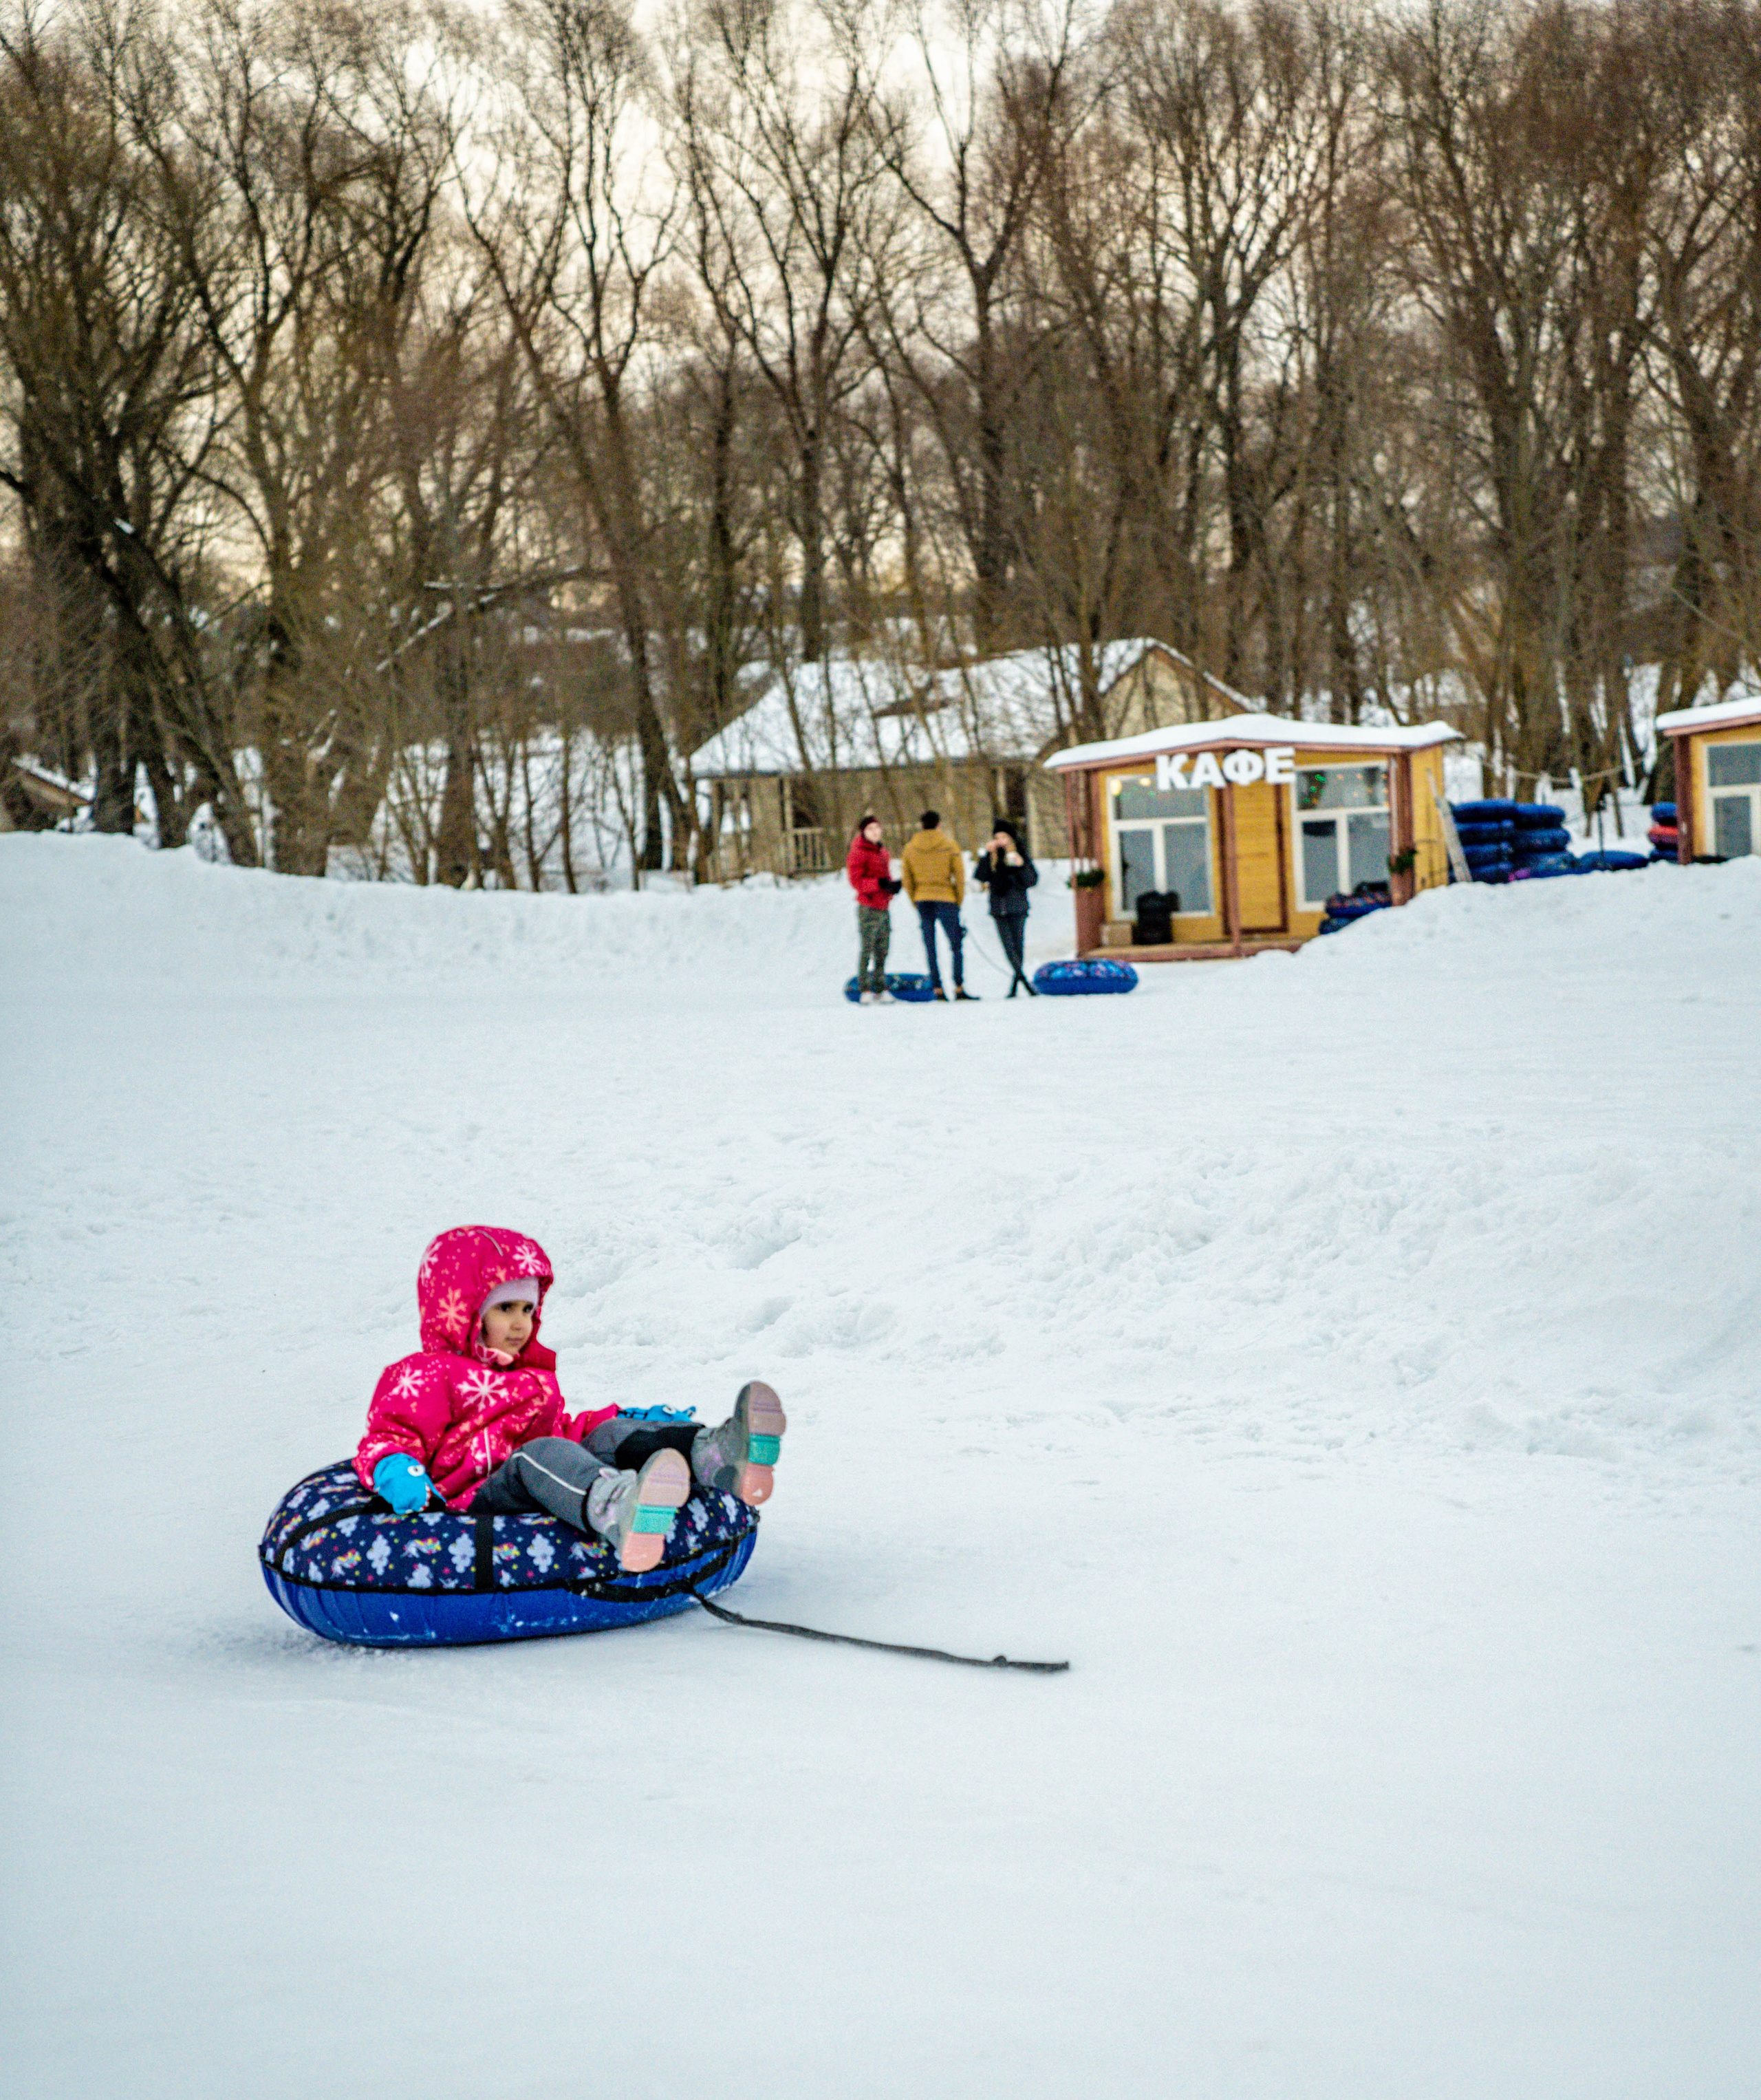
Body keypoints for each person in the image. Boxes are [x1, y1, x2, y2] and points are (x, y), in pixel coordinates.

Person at [355, 1225, 786, 1573]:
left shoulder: (527, 1376)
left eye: (528, 1309)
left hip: (541, 1470)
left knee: (604, 1434)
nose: (521, 1323)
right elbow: (387, 1436)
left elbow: (561, 1433)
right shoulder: (426, 1374)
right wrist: (396, 1469)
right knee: (535, 1456)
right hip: (478, 1495)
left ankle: (715, 1454)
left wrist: (622, 1420)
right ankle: (620, 1512)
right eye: (505, 1309)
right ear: (463, 1309)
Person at [902, 808, 977, 1001]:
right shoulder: (949, 845)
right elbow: (960, 876)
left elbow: (907, 879)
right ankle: (959, 987)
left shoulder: (910, 848)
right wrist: (958, 900)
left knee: (930, 946)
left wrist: (915, 900)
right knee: (956, 945)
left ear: (921, 825)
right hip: (946, 898)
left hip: (922, 899)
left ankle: (937, 988)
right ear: (939, 824)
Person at [973, 818, 1039, 996]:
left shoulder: (1020, 854)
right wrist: (987, 856)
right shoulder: (992, 857)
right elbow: (980, 876)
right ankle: (1024, 982)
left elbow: (1031, 880)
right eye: (997, 837)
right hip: (999, 908)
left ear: (1011, 837)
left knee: (1018, 947)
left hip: (1018, 907)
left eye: (1004, 836)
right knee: (1008, 948)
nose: (1001, 840)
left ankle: (1016, 985)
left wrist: (1021, 866)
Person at [845, 813, 899, 1004]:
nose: (875, 832)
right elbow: (856, 881)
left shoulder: (882, 851)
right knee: (867, 948)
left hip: (883, 906)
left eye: (877, 828)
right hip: (868, 906)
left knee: (882, 949)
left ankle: (880, 986)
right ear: (864, 832)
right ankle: (864, 988)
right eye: (870, 829)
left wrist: (891, 888)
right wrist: (879, 884)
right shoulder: (858, 851)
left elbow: (885, 876)